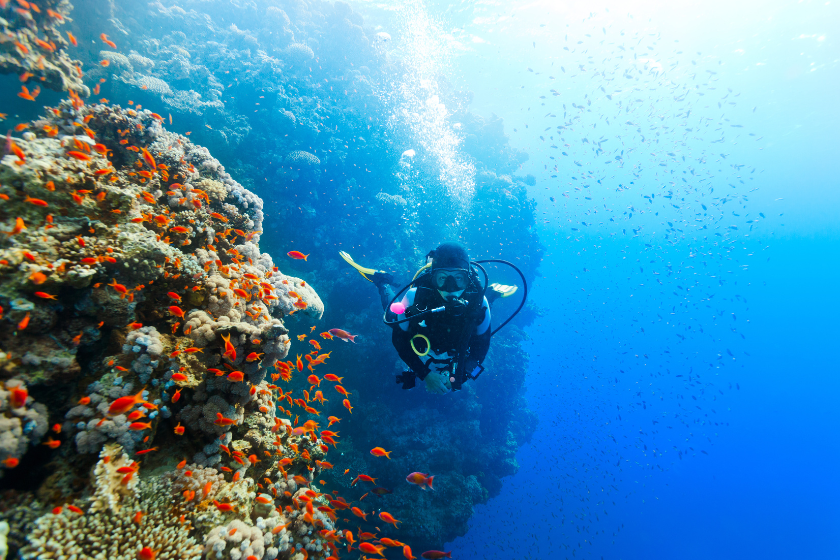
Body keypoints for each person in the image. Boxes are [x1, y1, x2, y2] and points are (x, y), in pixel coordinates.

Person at [342, 242, 516, 394]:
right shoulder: (415, 297)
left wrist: (459, 378)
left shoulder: (479, 302)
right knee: (390, 315)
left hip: (469, 314)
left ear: (467, 278)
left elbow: (481, 349)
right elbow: (399, 341)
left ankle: (492, 292)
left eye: (458, 279)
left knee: (481, 306)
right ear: (433, 278)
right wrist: (425, 375)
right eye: (442, 278)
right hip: (420, 329)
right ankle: (382, 281)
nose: (450, 288)